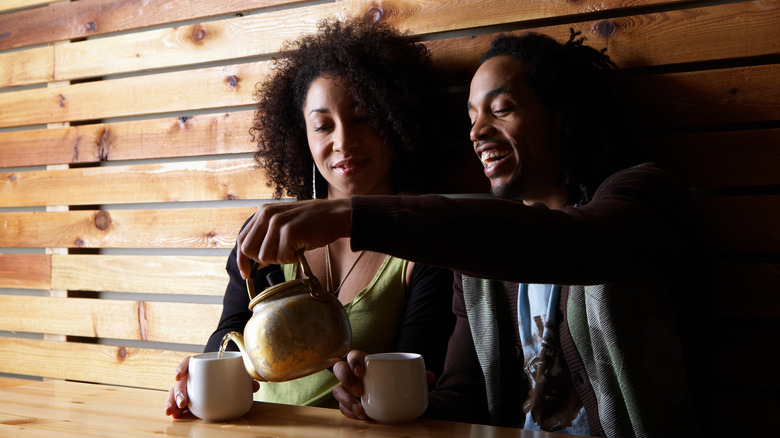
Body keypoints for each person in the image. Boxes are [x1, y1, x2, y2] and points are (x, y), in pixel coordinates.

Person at [234, 30, 709, 437]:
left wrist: (349, 217)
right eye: (471, 118)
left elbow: (576, 245)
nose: (478, 132)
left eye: (501, 110)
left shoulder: (645, 195)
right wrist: (385, 402)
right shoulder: (480, 262)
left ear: (563, 116)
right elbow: (461, 400)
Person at [164, 18, 455, 417]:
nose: (343, 141)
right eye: (322, 126)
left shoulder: (423, 245)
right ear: (301, 136)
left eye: (363, 117)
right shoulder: (270, 234)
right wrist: (197, 374)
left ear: (394, 119)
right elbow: (230, 334)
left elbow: (420, 373)